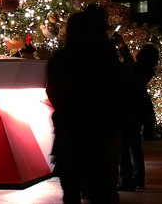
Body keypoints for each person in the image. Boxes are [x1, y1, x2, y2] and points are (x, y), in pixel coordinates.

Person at [47, 10, 123, 204]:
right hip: (100, 128)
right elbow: (116, 88)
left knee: (71, 188)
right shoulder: (103, 56)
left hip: (69, 128)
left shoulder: (61, 58)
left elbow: (53, 91)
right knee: (100, 187)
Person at [116, 40, 159, 191]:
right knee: (135, 146)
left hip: (127, 110)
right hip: (139, 111)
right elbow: (130, 62)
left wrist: (120, 47)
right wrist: (122, 46)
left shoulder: (133, 70)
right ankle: (139, 179)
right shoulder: (146, 71)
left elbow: (127, 65)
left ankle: (126, 180)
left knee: (123, 147)